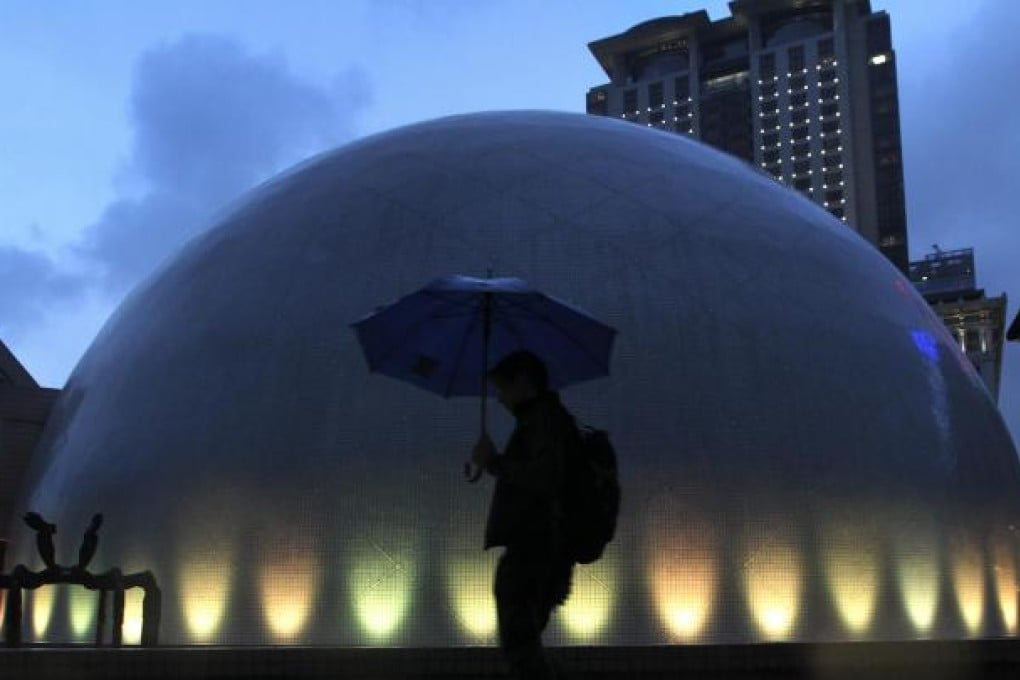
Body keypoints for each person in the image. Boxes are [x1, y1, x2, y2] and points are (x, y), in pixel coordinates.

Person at [465, 350, 578, 680]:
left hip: (534, 550)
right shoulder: (546, 421)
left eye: (503, 388)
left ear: (524, 382)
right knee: (527, 645)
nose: (499, 399)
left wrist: (495, 462)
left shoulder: (544, 422)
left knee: (521, 648)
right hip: (545, 550)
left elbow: (545, 477)